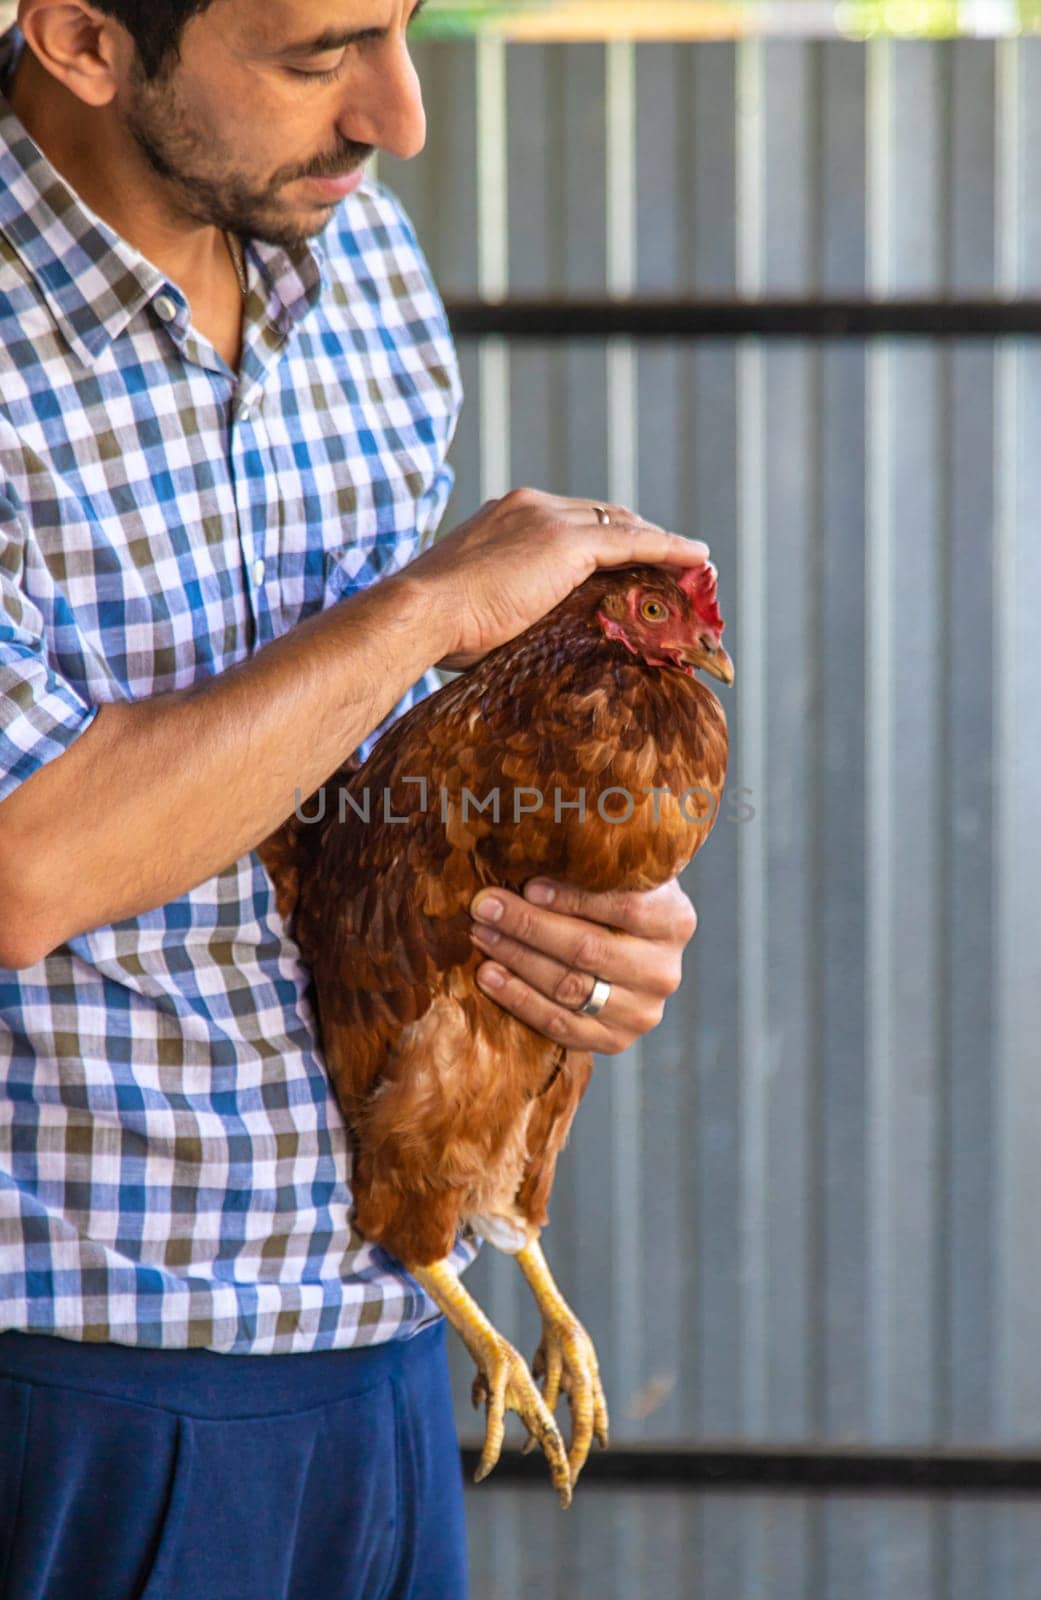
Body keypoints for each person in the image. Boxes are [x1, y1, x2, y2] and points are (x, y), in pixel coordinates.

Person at [0, 3, 705, 1595]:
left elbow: (371, 772)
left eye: (399, 25)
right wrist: (427, 606)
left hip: (383, 1339)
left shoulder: (363, 271)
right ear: (83, 39)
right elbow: (21, 860)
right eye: (323, 52)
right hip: (86, 1363)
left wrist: (577, 923)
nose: (401, 114)